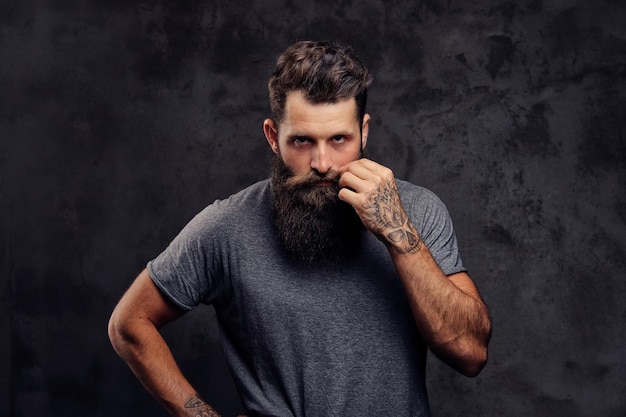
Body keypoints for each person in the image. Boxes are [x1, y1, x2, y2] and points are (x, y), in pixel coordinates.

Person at [108, 40, 492, 417]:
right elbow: (129, 324)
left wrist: (398, 233)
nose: (322, 162)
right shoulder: (227, 227)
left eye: (339, 138)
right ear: (274, 137)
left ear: (364, 132)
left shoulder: (419, 211)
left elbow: (471, 354)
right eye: (303, 141)